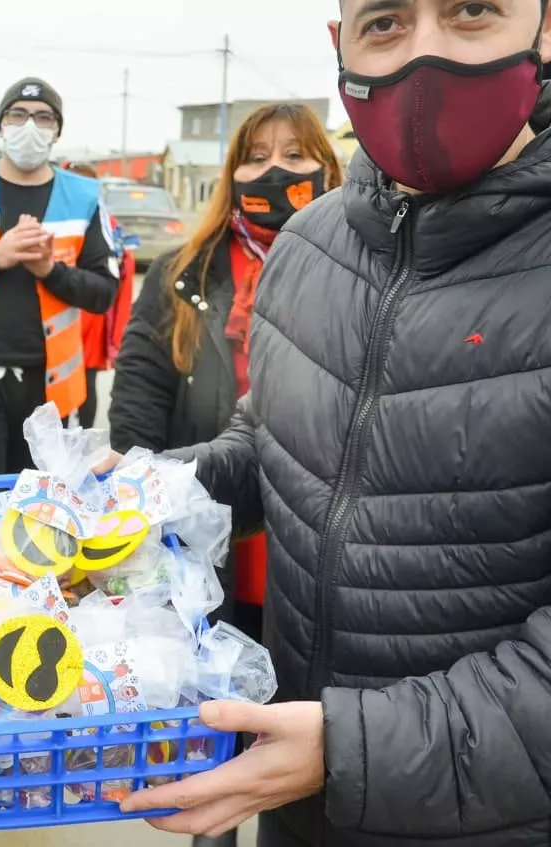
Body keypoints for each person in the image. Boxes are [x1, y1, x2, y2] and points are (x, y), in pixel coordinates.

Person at [118, 1, 551, 845]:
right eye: (385, 21)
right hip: (294, 802)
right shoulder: (309, 246)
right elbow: (271, 441)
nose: (424, 56)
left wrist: (351, 748)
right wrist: (154, 489)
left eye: (472, 10)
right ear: (340, 45)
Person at [108, 103, 342, 643]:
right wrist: (140, 502)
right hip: (207, 520)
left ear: (327, 170)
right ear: (231, 175)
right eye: (255, 158)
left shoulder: (360, 270)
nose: (273, 171)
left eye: (294, 155)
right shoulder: (181, 272)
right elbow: (138, 397)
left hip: (316, 537)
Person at [0, 78, 119, 474]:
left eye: (44, 117)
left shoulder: (84, 196)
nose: (30, 125)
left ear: (57, 132)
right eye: (18, 114)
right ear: (1, 125)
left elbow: (105, 292)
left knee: (37, 506)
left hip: (48, 384)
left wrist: (50, 271)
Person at [62, 161, 133, 429]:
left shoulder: (63, 217)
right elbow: (124, 262)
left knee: (71, 379)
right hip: (87, 310)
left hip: (78, 310)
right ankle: (81, 438)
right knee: (82, 378)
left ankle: (68, 439)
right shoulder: (105, 220)